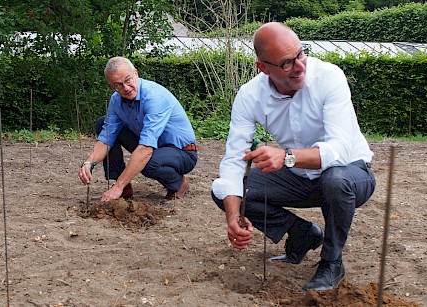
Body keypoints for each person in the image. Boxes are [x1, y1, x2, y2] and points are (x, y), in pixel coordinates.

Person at [211, 22, 376, 291]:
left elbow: (341, 150)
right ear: (263, 68)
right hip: (301, 179)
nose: (300, 66)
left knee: (335, 179)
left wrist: (287, 156)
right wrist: (232, 216)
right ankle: (301, 233)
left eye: (301, 54)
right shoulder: (250, 95)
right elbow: (233, 160)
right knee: (224, 191)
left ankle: (332, 262)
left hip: (352, 174)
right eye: (287, 63)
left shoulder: (329, 77)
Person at [79, 56, 198, 204]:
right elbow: (107, 138)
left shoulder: (154, 97)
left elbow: (146, 150)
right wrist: (89, 163)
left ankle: (179, 184)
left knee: (148, 162)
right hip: (154, 147)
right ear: (111, 86)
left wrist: (117, 187)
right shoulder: (116, 101)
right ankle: (124, 189)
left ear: (136, 73)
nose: (126, 88)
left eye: (128, 80)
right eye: (118, 85)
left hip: (183, 152)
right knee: (102, 123)